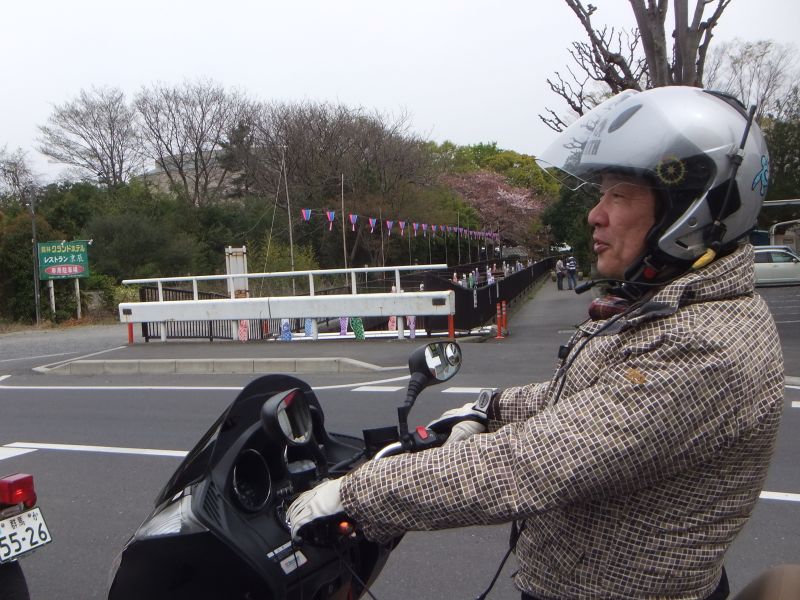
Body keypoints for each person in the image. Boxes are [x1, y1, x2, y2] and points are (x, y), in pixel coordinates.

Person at [288, 87, 783, 600]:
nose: (595, 215)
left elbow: (537, 463)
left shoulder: (706, 344)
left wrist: (356, 496)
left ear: (694, 208)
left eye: (618, 195)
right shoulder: (673, 308)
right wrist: (488, 409)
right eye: (600, 195)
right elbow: (588, 400)